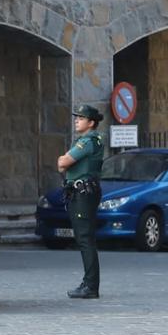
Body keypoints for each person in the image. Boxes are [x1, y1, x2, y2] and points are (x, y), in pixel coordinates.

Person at [58, 103, 105, 299]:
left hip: (83, 193)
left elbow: (62, 163)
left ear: (91, 123)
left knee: (85, 239)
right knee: (86, 238)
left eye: (81, 118)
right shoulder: (92, 140)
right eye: (76, 117)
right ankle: (89, 283)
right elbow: (64, 166)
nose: (77, 120)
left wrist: (64, 161)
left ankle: (90, 286)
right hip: (84, 192)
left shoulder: (87, 141)